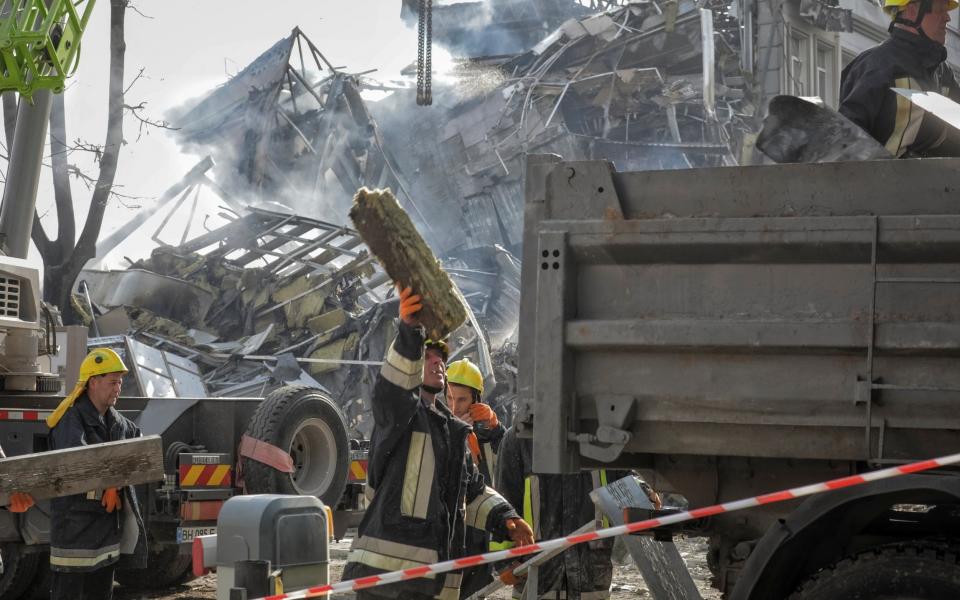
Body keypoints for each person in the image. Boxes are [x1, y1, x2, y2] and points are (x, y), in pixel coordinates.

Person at [342, 285, 534, 600]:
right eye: (428, 357)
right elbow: (391, 390)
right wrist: (408, 332)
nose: (437, 363)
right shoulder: (399, 418)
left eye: (440, 358)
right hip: (386, 581)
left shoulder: (451, 432)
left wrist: (508, 519)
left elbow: (472, 492)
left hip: (431, 583)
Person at [45, 348, 147, 600]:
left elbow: (138, 453)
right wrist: (110, 485)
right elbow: (77, 464)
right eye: (112, 382)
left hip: (105, 535)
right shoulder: (71, 420)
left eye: (120, 382)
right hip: (75, 533)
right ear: (93, 382)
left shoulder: (121, 424)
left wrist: (116, 484)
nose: (118, 388)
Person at [496, 426, 632, 600]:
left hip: (591, 568)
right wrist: (504, 560)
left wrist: (644, 491)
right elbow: (504, 500)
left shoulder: (604, 437)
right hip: (538, 569)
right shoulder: (518, 438)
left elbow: (624, 479)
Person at [839, 0, 960, 157]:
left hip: (929, 179)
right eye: (939, 10)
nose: (947, 18)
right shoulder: (876, 65)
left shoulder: (942, 72)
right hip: (878, 179)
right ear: (911, 11)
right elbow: (847, 139)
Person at [445, 358, 507, 598]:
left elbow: (506, 466)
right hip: (451, 529)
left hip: (479, 530)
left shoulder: (486, 432)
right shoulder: (438, 425)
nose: (454, 406)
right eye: (449, 398)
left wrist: (496, 430)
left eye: (462, 399)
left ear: (476, 400)